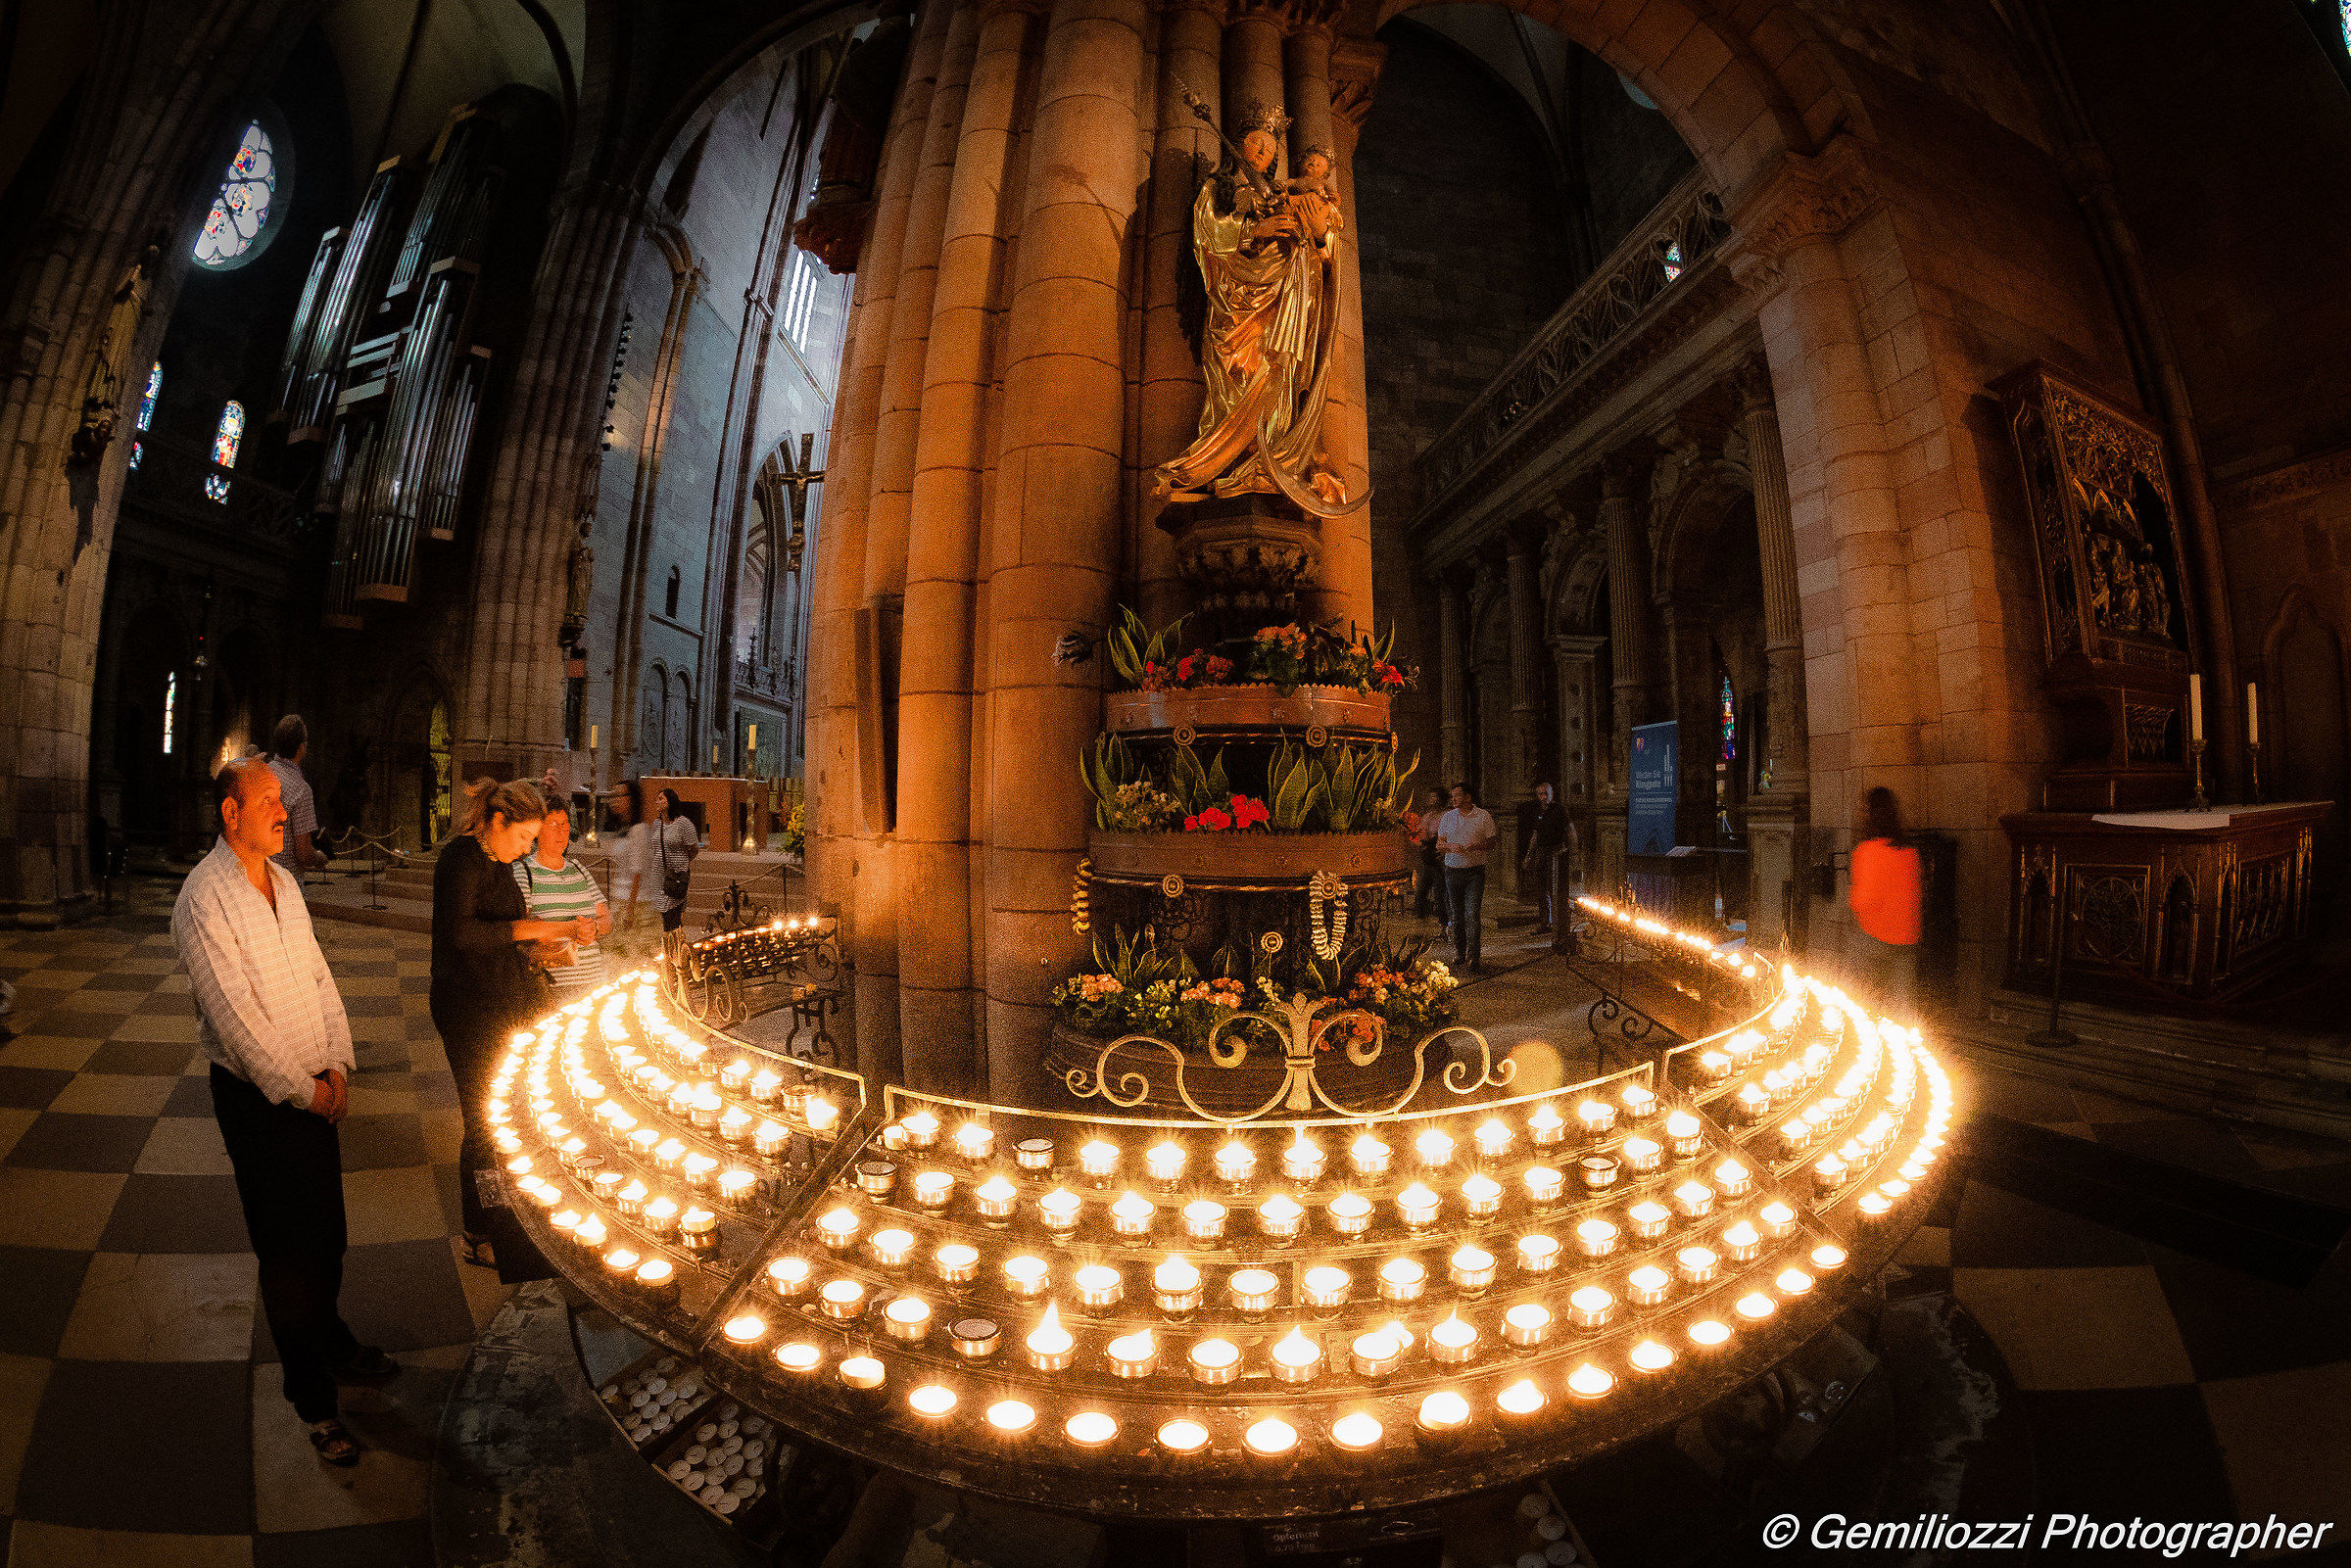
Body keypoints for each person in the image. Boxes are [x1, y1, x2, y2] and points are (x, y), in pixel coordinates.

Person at [172, 758, 396, 1468]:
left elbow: (319, 978)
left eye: (282, 800)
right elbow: (235, 1021)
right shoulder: (203, 899)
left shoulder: (288, 885)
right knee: (288, 1252)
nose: (283, 811)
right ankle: (313, 1399)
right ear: (230, 813)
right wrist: (306, 1090)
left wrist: (337, 1062)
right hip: (261, 1102)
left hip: (313, 1087)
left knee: (327, 1232)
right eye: (268, 800)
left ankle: (330, 1342)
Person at [431, 778, 596, 1270]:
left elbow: (501, 934)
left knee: (507, 1113)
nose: (527, 848)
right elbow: (461, 936)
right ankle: (482, 1227)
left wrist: (542, 951)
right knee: (483, 1118)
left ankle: (512, 1219)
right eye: (524, 837)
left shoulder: (499, 863)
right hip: (468, 1008)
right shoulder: (461, 859)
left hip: (505, 1000)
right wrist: (552, 927)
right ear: (497, 823)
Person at [512, 795, 612, 1001]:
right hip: (552, 987)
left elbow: (607, 919)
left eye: (565, 825)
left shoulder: (579, 869)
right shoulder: (524, 872)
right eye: (553, 825)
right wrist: (567, 929)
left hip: (593, 983)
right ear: (538, 830)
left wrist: (592, 928)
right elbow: (523, 926)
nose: (562, 832)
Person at [1848, 785, 1924, 1018]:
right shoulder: (1909, 851)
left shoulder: (1868, 850)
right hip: (1907, 939)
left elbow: (1863, 900)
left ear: (1870, 814)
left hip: (1875, 939)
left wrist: (1854, 897)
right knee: (1901, 1011)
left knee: (1865, 1008)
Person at [1434, 782, 1498, 974]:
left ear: (1468, 797)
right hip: (1452, 871)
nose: (1454, 799)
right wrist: (1451, 847)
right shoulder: (1448, 817)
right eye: (1453, 796)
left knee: (1472, 914)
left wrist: (1476, 846)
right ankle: (1460, 952)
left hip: (1474, 872)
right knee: (1457, 914)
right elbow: (1439, 844)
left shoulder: (1483, 816)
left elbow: (1492, 842)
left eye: (1457, 796)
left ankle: (1474, 956)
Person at [264, 714, 327, 875]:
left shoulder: (260, 774)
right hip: (284, 880)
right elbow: (303, 853)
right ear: (301, 749)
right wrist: (319, 858)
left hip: (255, 876)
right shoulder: (301, 789)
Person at [648, 786, 700, 934]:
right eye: (656, 799)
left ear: (670, 801)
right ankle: (667, 950)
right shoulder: (657, 824)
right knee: (662, 917)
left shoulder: (683, 823)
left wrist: (683, 863)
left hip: (675, 876)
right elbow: (654, 847)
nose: (657, 801)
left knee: (672, 916)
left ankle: (677, 950)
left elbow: (694, 848)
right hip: (658, 875)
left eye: (661, 798)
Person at [1521, 782, 1570, 934]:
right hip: (1541, 852)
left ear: (1552, 793)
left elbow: (1569, 830)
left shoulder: (1559, 810)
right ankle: (1545, 922)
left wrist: (1570, 851)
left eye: (1546, 794)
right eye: (1541, 794)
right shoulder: (1538, 812)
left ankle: (1558, 924)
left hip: (1556, 852)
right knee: (1541, 889)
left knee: (1555, 888)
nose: (1544, 797)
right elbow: (1535, 835)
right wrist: (1529, 856)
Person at [1412, 788, 1446, 924]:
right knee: (1421, 890)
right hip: (1428, 856)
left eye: (1435, 797)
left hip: (1439, 857)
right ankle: (1421, 920)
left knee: (1439, 890)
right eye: (1431, 797)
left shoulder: (1445, 815)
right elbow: (1420, 834)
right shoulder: (1428, 816)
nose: (1432, 800)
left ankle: (1443, 922)